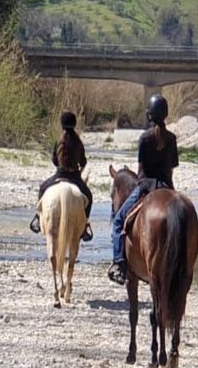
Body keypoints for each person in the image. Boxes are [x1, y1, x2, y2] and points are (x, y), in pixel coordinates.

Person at [108, 94, 179, 284]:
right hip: (167, 187)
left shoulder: (145, 138)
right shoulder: (172, 138)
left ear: (149, 115)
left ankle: (119, 263)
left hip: (146, 187)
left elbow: (141, 170)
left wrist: (141, 185)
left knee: (118, 221)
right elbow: (171, 170)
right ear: (165, 115)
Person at [30, 112, 93, 242]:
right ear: (74, 124)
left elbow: (54, 159)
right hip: (75, 176)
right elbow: (83, 162)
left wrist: (60, 163)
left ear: (62, 124)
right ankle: (85, 225)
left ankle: (38, 217)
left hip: (60, 174)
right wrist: (79, 168)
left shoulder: (59, 140)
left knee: (43, 188)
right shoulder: (78, 142)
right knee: (89, 196)